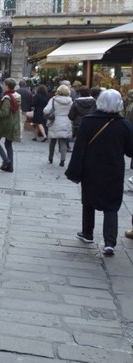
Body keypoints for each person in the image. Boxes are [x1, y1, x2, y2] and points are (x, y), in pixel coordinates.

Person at [65, 89, 133, 255]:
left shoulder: (88, 122)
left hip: (91, 168)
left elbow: (79, 149)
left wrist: (74, 172)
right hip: (114, 170)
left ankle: (87, 233)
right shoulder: (124, 125)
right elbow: (130, 151)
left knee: (88, 200)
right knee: (111, 206)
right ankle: (110, 242)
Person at [0, 77, 21, 173]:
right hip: (13, 124)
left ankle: (6, 160)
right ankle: (10, 167)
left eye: (4, 85)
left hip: (5, 124)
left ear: (7, 86)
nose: (3, 86)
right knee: (8, 144)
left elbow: (4, 113)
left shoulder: (7, 98)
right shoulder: (17, 96)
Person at [44, 84, 73, 166]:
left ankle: (50, 158)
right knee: (63, 141)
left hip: (54, 122)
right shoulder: (70, 101)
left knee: (52, 141)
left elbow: (46, 110)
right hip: (66, 122)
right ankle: (62, 160)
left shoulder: (53, 100)